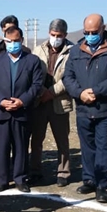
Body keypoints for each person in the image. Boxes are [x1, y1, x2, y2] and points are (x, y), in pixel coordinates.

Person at [63, 14, 107, 203]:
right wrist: (80, 93)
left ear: (103, 28)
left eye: (94, 32)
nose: (90, 36)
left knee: (104, 147)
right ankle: (89, 179)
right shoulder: (76, 50)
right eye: (86, 32)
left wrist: (96, 91)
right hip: (83, 108)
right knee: (87, 147)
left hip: (105, 108)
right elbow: (68, 77)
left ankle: (102, 185)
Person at [0, 26, 44, 193]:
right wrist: (1, 101)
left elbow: (36, 85)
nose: (12, 44)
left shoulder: (32, 60)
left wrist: (22, 101)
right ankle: (2, 180)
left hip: (22, 111)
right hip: (2, 111)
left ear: (21, 41)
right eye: (9, 41)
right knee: (1, 147)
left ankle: (20, 179)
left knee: (21, 147)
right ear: (5, 41)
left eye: (16, 41)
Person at [30, 18, 73, 187]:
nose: (56, 38)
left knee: (62, 139)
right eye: (53, 34)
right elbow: (32, 73)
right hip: (39, 102)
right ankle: (35, 170)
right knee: (37, 139)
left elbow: (70, 78)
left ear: (65, 35)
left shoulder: (72, 52)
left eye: (59, 35)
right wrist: (41, 92)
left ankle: (63, 172)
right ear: (49, 33)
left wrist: (52, 92)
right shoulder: (38, 50)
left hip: (59, 102)